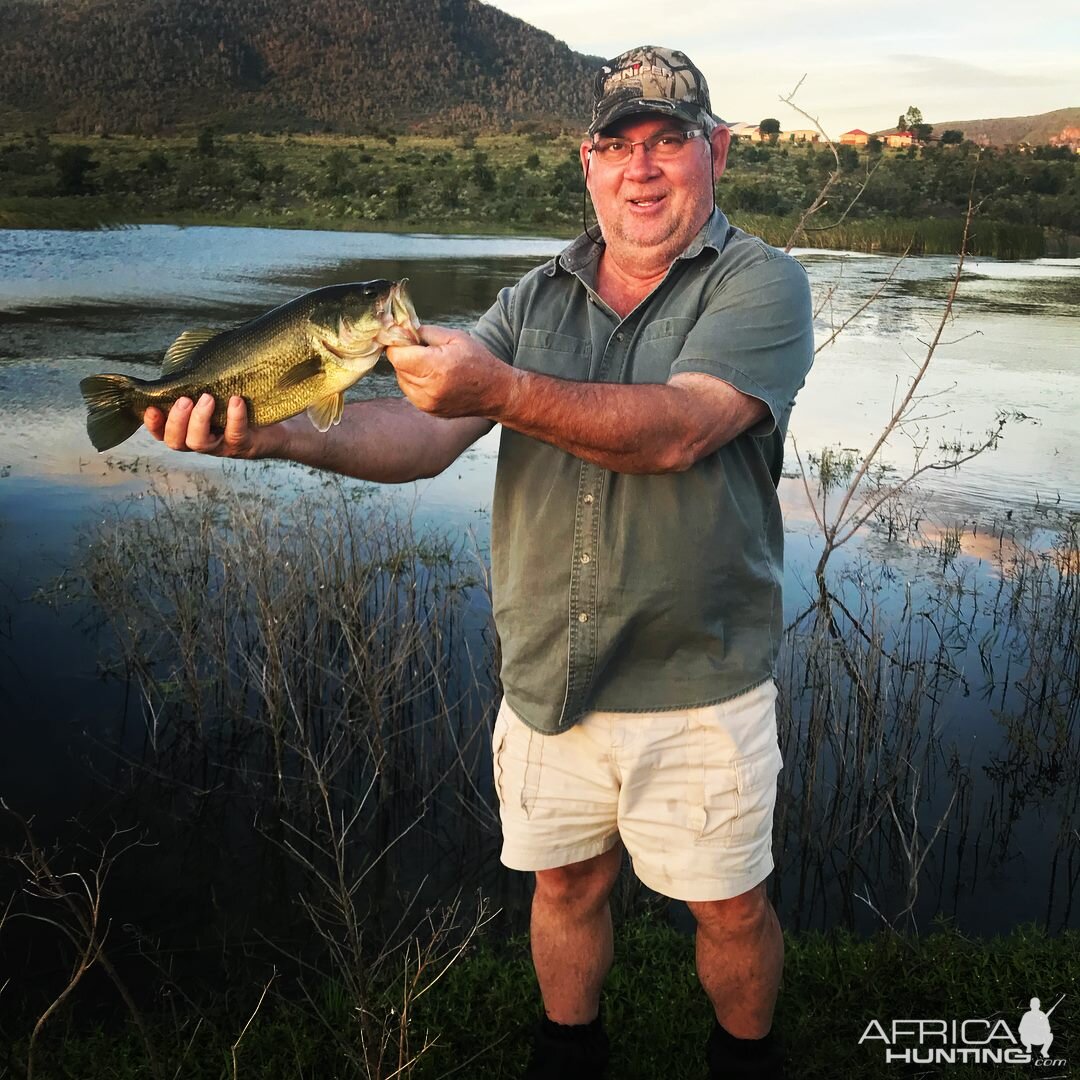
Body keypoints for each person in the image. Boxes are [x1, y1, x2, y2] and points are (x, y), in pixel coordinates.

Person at [144, 45, 813, 1080]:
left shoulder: (763, 284)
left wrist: (500, 391)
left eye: (669, 142)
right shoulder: (531, 303)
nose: (642, 168)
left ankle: (745, 1062)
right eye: (617, 145)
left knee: (729, 905)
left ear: (715, 154)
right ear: (584, 165)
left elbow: (682, 428)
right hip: (547, 673)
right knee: (563, 889)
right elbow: (421, 436)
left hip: (701, 680)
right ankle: (567, 1057)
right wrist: (277, 435)